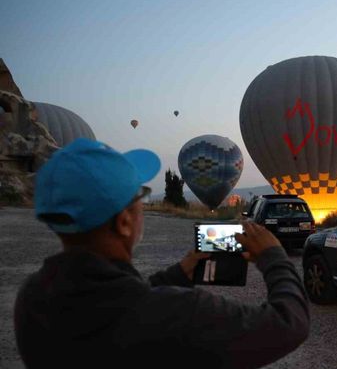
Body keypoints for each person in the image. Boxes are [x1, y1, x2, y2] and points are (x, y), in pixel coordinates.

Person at [13, 138, 309, 368]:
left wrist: (179, 274)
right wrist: (273, 257)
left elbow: (120, 307)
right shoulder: (180, 313)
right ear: (124, 221)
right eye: (139, 198)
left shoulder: (33, 297)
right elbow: (289, 325)